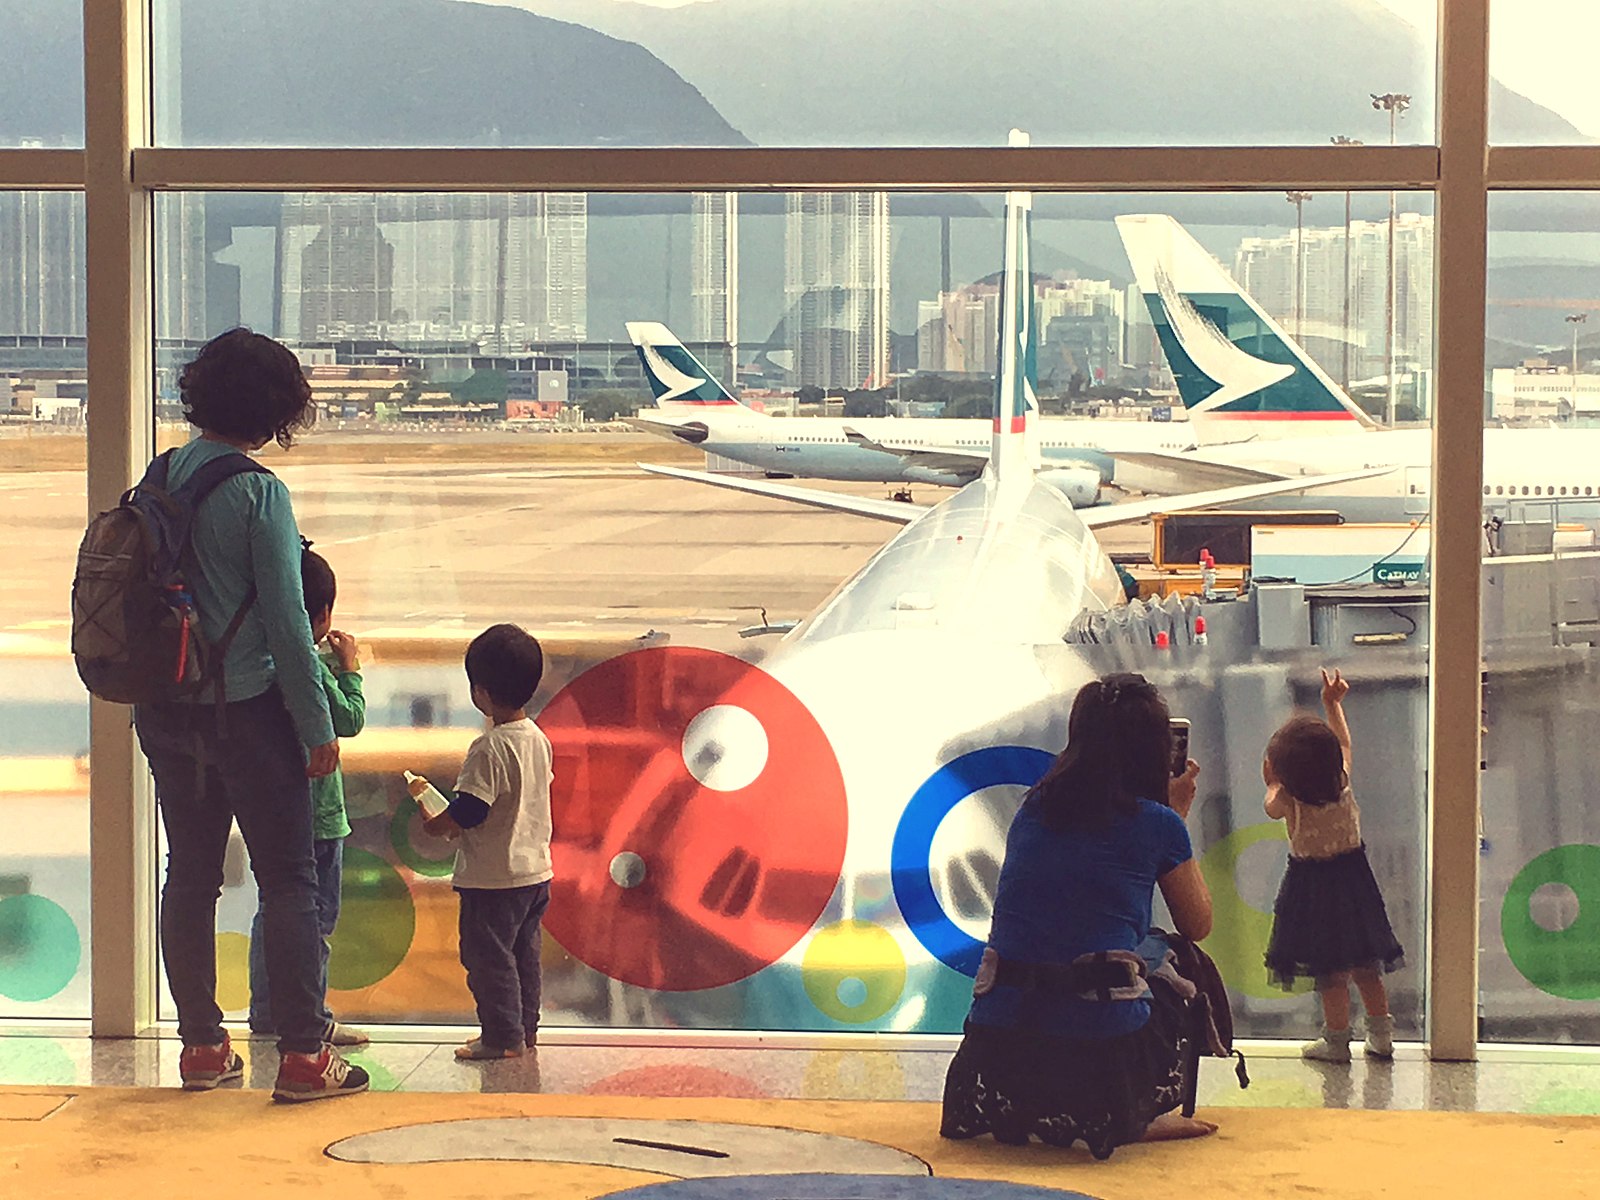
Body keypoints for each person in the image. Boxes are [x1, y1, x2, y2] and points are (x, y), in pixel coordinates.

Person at [132, 328, 369, 1102]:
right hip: (249, 715)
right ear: (275, 408)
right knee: (291, 884)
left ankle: (201, 1046)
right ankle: (304, 1056)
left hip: (167, 711)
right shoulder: (258, 492)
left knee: (190, 879)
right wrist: (317, 727)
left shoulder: (158, 476)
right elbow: (288, 627)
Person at [940, 673, 1216, 1159]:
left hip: (998, 1038)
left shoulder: (1034, 809)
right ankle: (1134, 1110)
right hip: (1098, 1045)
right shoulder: (1158, 824)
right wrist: (1175, 818)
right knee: (1180, 959)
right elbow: (1197, 923)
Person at [246, 547, 368, 1048]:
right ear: (319, 616)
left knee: (270, 910)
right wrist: (350, 669)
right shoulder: (311, 668)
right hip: (318, 817)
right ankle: (311, 1015)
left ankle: (267, 1009)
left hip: (271, 806)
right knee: (316, 918)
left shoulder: (261, 662)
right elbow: (350, 721)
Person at [421, 624, 553, 1061]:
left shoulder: (488, 748)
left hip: (492, 879)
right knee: (524, 956)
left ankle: (501, 1037)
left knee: (488, 960)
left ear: (481, 692)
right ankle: (524, 1031)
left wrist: (438, 822)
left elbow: (471, 812)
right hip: (534, 873)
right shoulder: (538, 739)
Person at [1262, 669, 1404, 1062]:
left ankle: (1337, 1041)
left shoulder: (1287, 798)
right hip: (1354, 881)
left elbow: (1270, 806)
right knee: (1366, 964)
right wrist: (1332, 704)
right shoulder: (1341, 780)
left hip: (1312, 887)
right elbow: (1343, 740)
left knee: (1330, 971)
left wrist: (1271, 780)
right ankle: (1382, 1035)